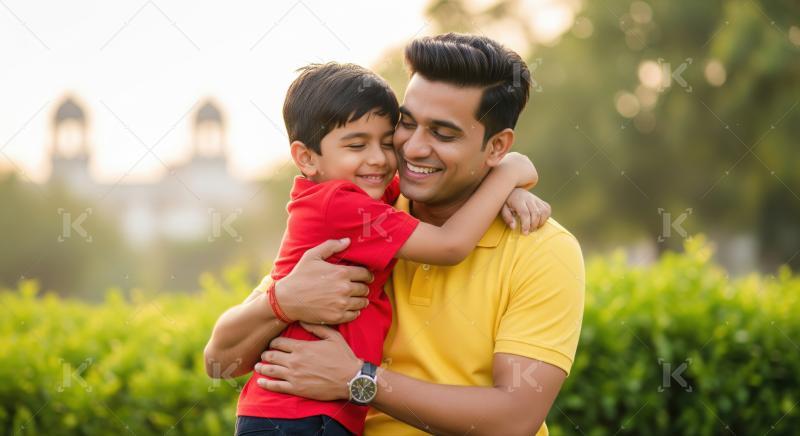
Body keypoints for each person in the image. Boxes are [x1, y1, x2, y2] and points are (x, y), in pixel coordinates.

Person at [206, 61, 552, 436]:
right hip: (298, 417)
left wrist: (501, 187)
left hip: (306, 414)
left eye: (387, 142)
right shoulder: (345, 206)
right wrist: (508, 174)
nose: (382, 158)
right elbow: (450, 244)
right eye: (357, 145)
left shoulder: (373, 202)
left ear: (495, 146)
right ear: (306, 158)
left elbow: (516, 420)